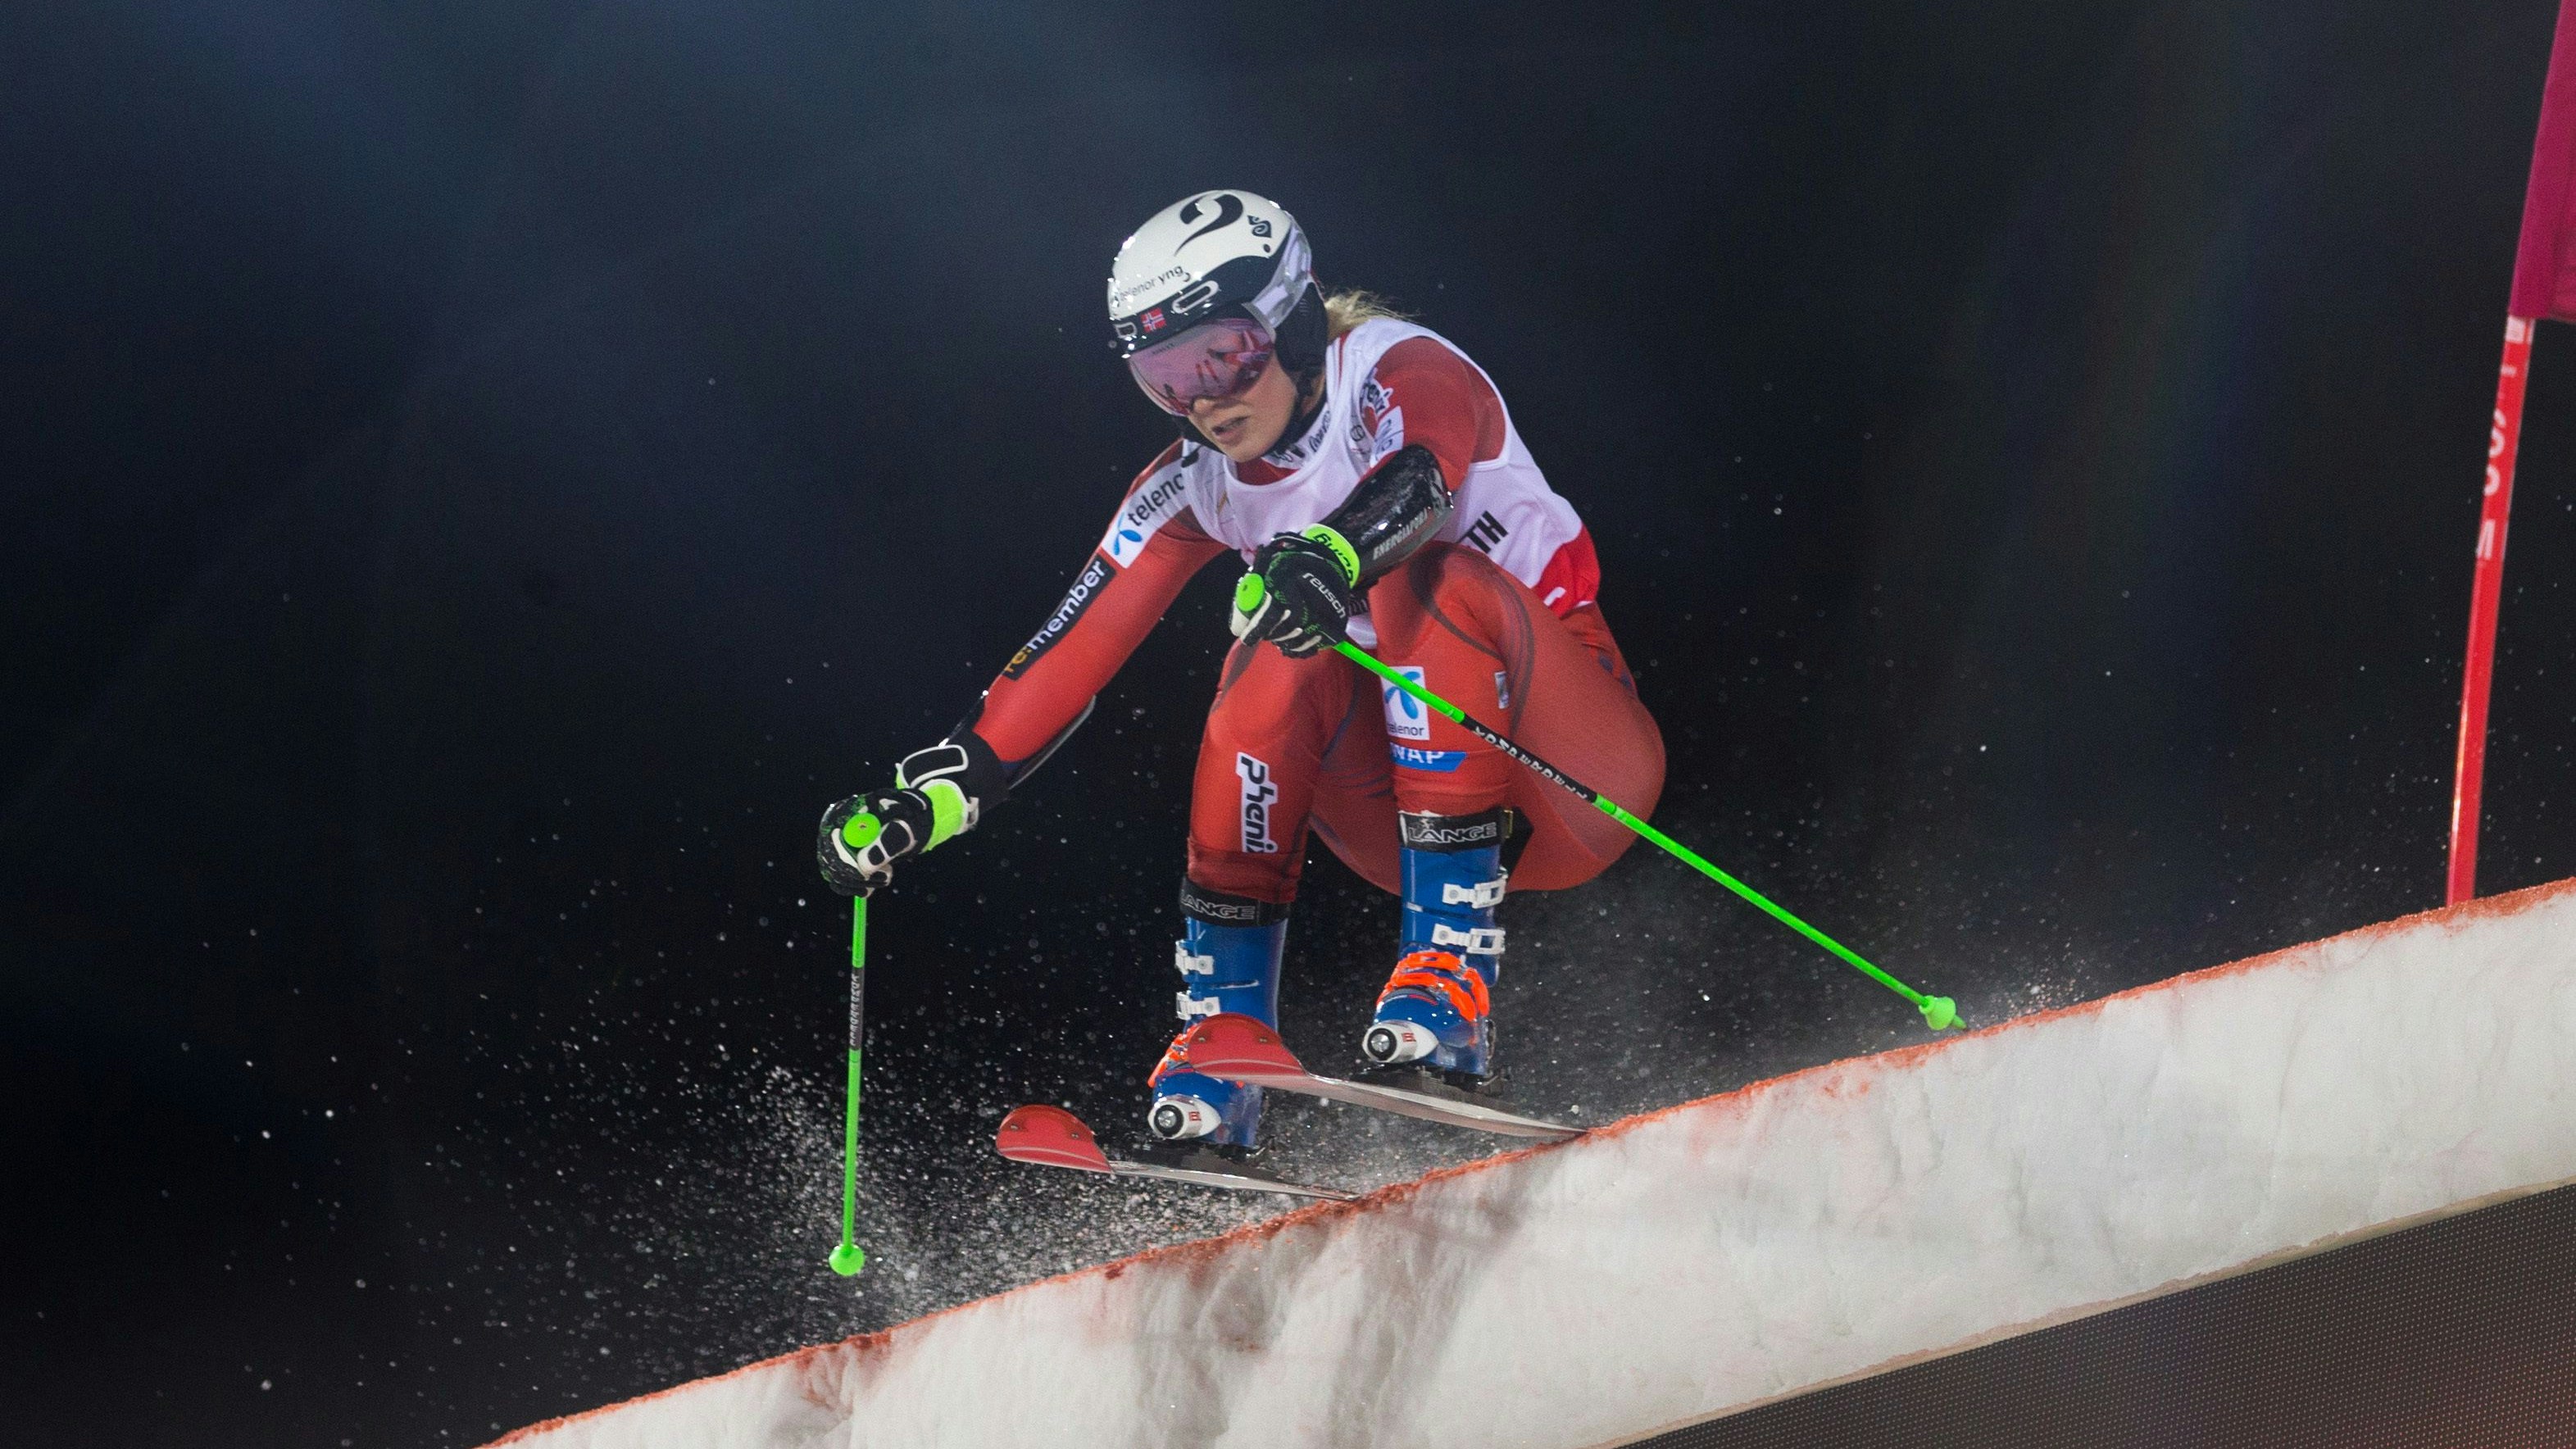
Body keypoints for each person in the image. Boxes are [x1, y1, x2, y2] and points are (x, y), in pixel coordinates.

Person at [818, 190, 1664, 1155]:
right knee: (1266, 657)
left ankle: (1450, 979)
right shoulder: (1193, 481)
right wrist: (928, 797)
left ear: (1291, 319)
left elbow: (1421, 472)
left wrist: (1331, 553)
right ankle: (1223, 1047)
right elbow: (1069, 649)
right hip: (1413, 817)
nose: (1203, 400)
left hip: (1571, 770)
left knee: (1418, 576)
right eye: (1165, 379)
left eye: (1221, 356)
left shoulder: (1396, 368)